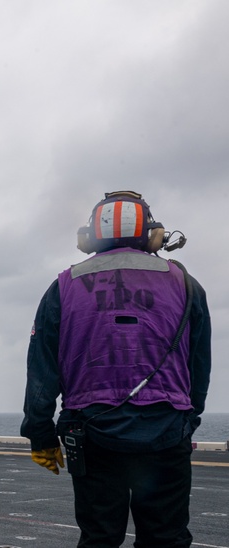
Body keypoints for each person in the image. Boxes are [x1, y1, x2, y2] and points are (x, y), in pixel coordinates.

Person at [22, 191, 211, 547]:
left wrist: (40, 435)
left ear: (90, 237)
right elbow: (199, 365)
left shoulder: (63, 285)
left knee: (99, 537)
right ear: (152, 234)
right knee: (166, 538)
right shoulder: (186, 284)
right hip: (167, 430)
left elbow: (42, 371)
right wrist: (189, 419)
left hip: (91, 432)